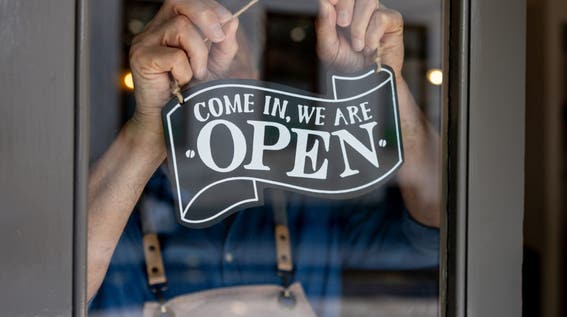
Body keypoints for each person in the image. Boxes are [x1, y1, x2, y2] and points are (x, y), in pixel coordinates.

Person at [86, 0, 441, 315]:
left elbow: (439, 227)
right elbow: (51, 286)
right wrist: (150, 128)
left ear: (257, 80)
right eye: (205, 54)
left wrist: (382, 84)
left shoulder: (313, 197)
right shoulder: (120, 211)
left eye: (237, 65)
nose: (222, 80)